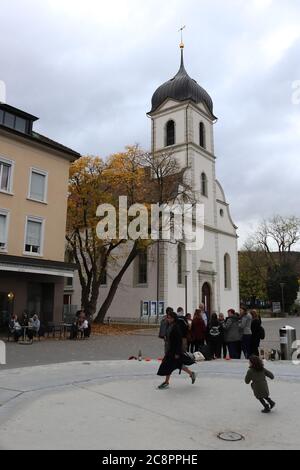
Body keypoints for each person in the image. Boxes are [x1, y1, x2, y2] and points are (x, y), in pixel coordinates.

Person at [157, 310, 196, 389]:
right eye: (167, 317)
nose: (168, 319)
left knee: (167, 365)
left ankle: (166, 382)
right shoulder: (170, 325)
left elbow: (178, 341)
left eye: (169, 318)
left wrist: (177, 353)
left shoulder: (176, 327)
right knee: (178, 364)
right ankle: (191, 374)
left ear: (173, 318)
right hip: (171, 349)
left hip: (174, 351)